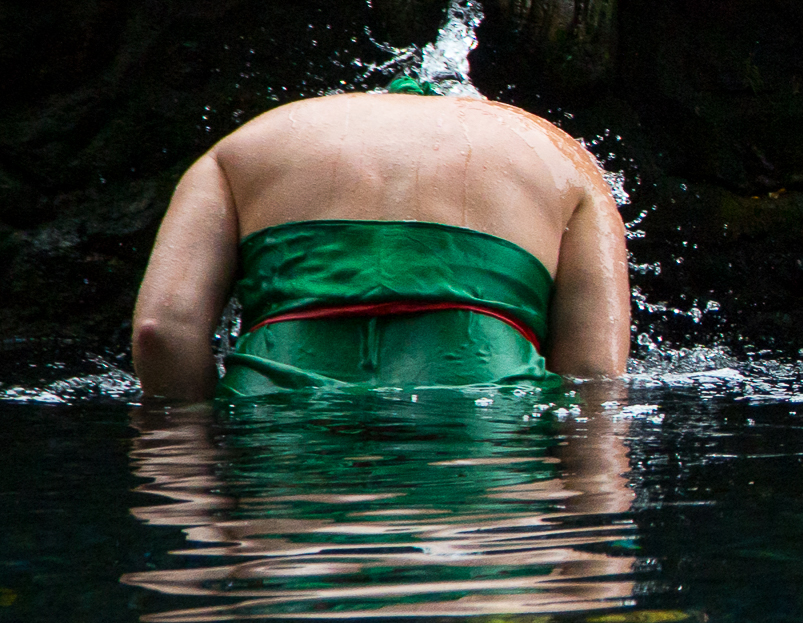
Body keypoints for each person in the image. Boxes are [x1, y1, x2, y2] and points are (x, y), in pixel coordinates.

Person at [128, 83, 631, 401]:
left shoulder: (242, 148)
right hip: (482, 428)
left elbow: (162, 331)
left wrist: (192, 464)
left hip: (282, 436)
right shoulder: (560, 156)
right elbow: (593, 375)